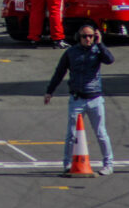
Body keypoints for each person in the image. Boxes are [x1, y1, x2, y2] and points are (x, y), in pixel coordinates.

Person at [44, 24, 116, 176]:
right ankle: (67, 163)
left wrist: (100, 43)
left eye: (91, 36)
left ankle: (108, 164)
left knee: (101, 133)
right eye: (84, 36)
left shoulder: (98, 50)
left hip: (95, 98)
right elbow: (59, 72)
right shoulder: (71, 52)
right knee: (71, 134)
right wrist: (50, 91)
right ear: (79, 37)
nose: (88, 39)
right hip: (77, 99)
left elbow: (110, 60)